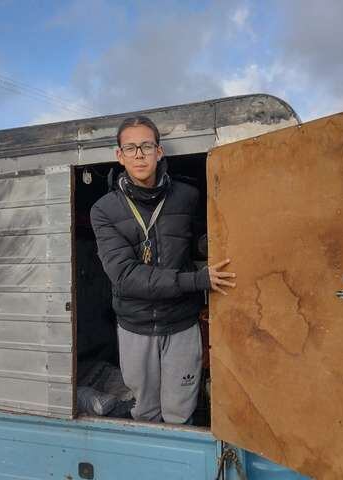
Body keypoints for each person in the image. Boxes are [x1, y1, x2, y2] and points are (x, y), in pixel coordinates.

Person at [90, 116, 235, 424]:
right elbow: (125, 276)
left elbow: (206, 243)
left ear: (159, 151)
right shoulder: (104, 210)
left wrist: (214, 246)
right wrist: (198, 281)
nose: (139, 154)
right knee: (144, 411)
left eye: (146, 146)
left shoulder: (188, 196)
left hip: (181, 324)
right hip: (135, 326)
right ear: (120, 156)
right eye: (131, 147)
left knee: (180, 412)